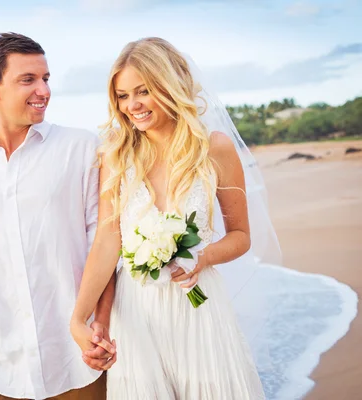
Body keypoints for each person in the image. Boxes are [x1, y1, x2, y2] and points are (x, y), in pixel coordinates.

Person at [70, 37, 271, 399]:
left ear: (168, 86)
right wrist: (78, 318)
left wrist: (201, 257)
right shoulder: (116, 154)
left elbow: (241, 235)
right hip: (136, 312)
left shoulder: (215, 148)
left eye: (142, 91)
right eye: (122, 95)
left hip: (198, 304)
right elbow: (105, 242)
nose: (132, 105)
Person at [0, 32, 115, 400]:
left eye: (46, 78)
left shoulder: (81, 148)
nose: (43, 90)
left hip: (77, 359)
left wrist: (101, 327)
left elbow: (105, 246)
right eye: (28, 80)